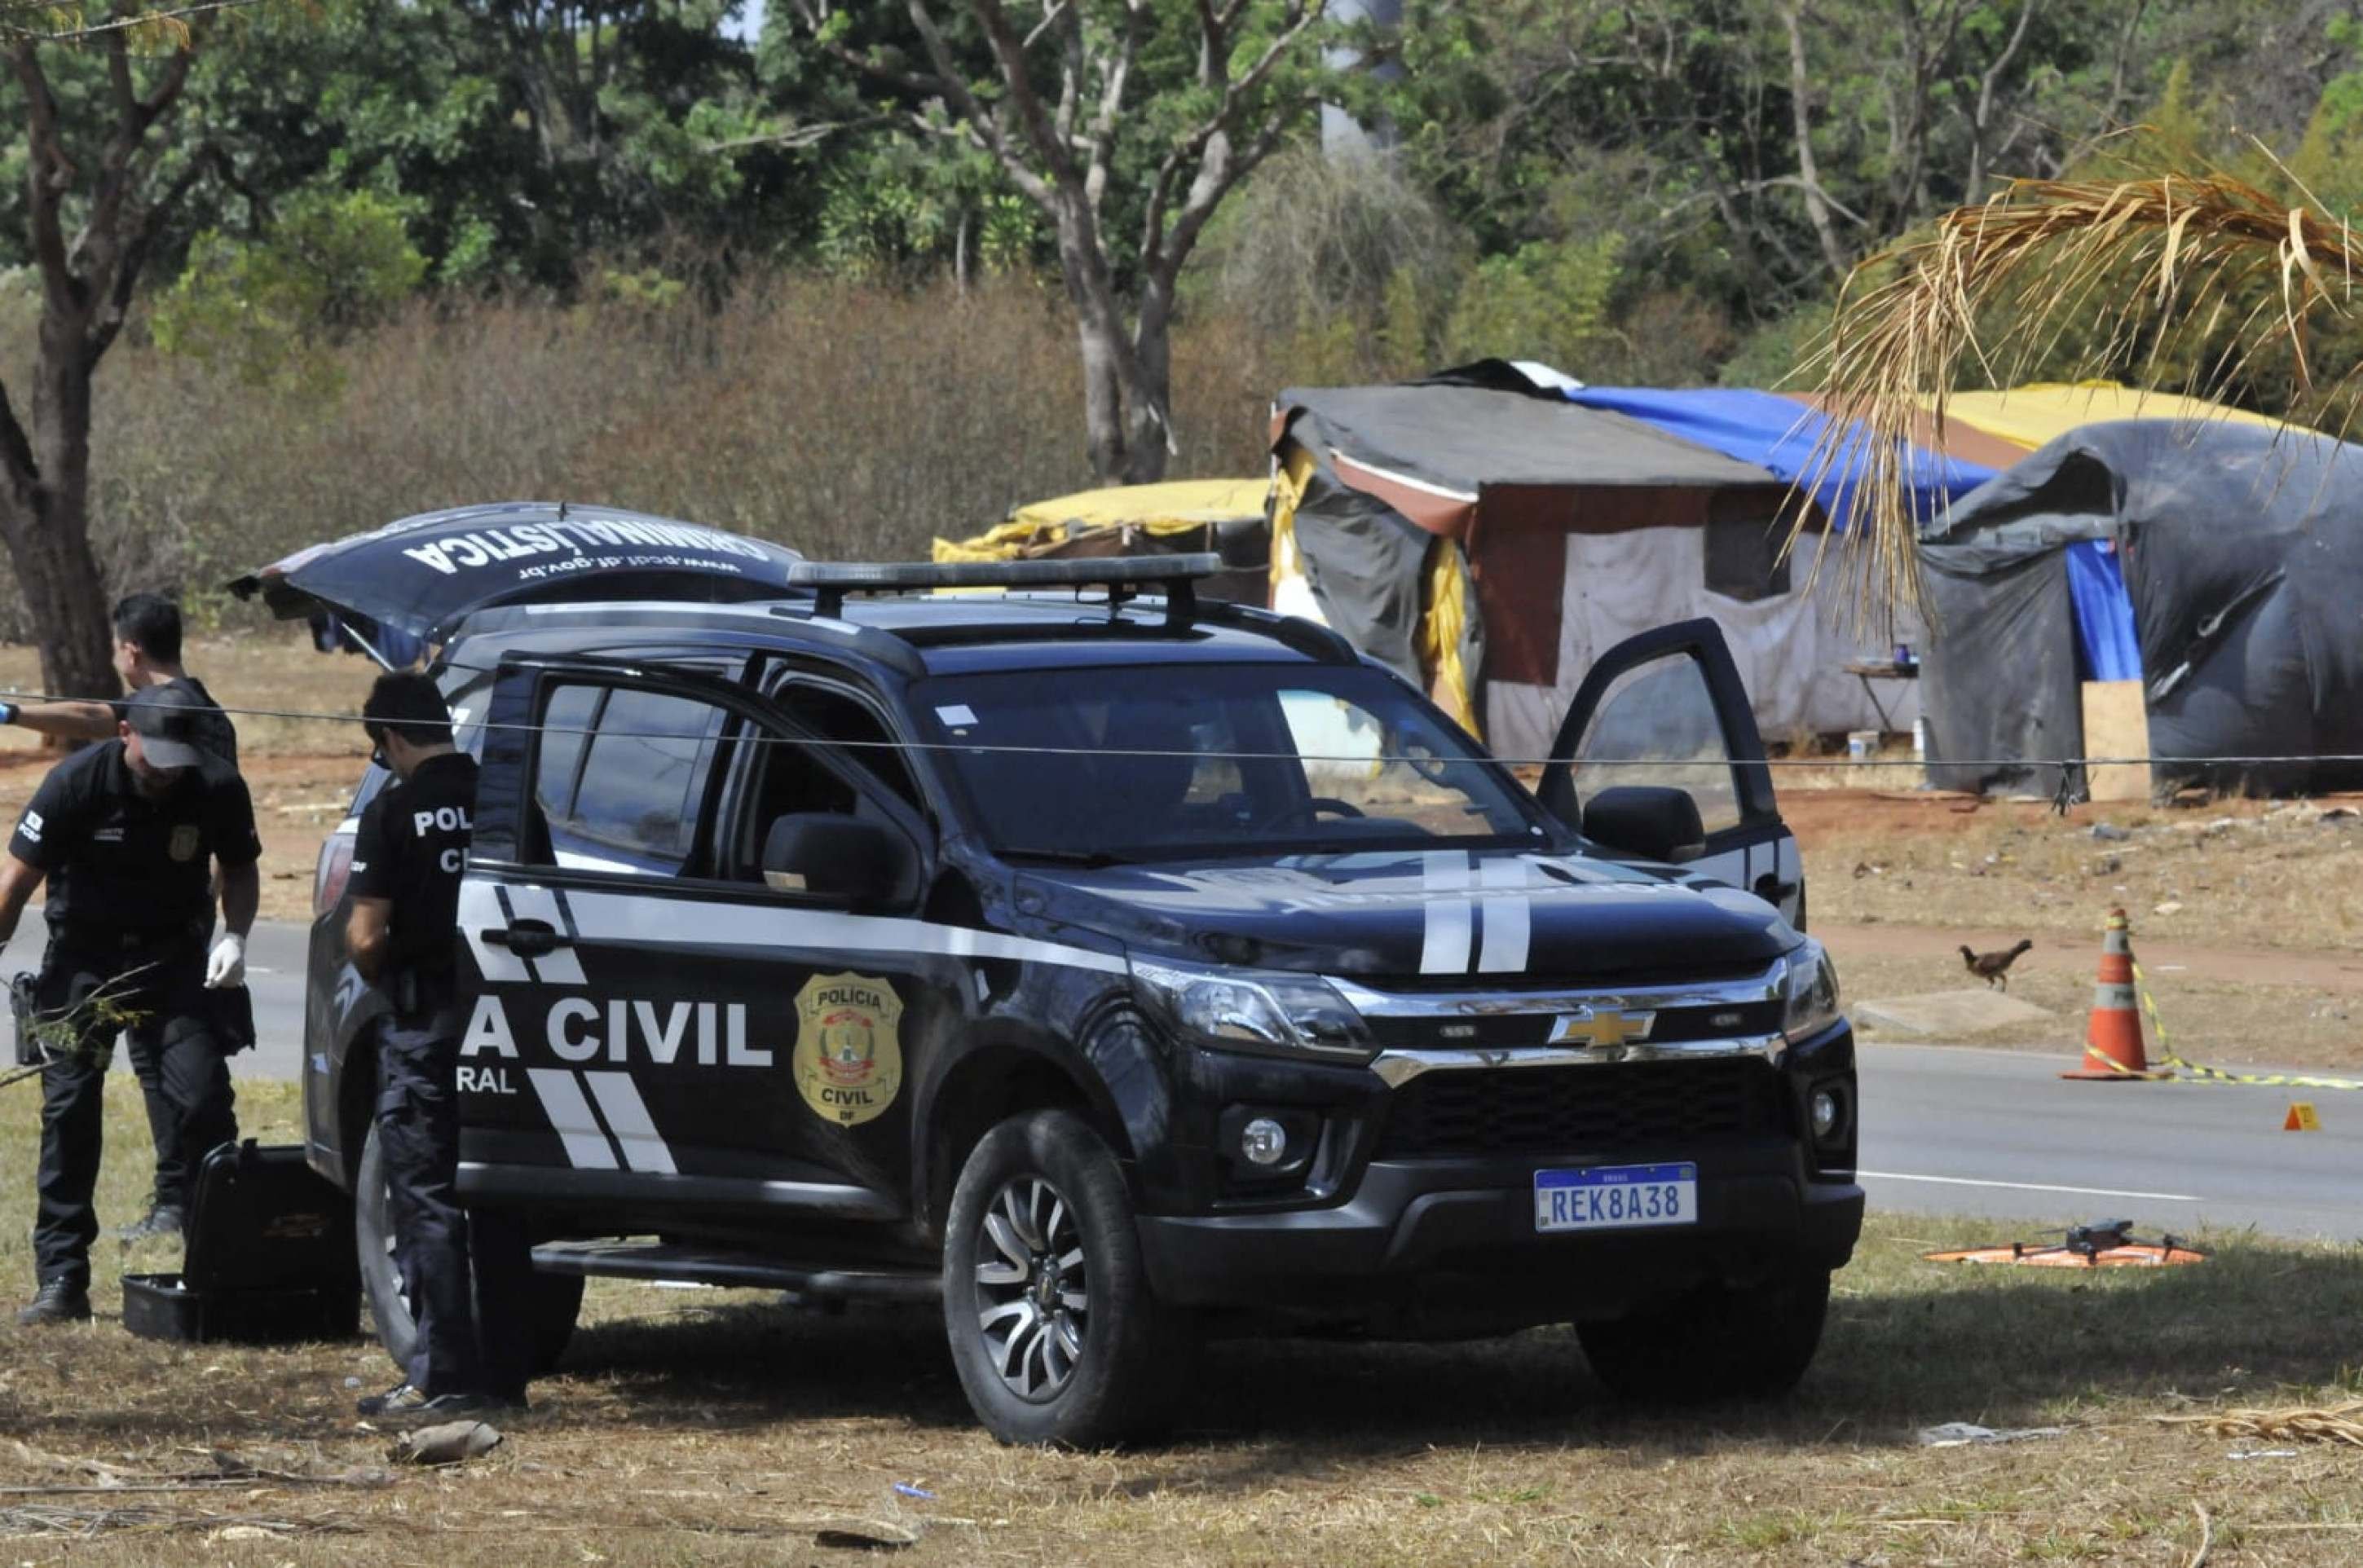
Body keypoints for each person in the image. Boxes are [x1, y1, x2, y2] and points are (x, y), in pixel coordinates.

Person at [0, 685, 258, 1324]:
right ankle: (62, 1277)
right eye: (155, 755)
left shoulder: (215, 784)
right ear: (124, 734)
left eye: (178, 757)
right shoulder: (75, 783)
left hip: (172, 960)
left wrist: (236, 936)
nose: (166, 770)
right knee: (70, 1111)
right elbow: (17, 880)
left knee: (202, 1101)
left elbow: (242, 864)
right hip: (84, 963)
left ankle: (220, 1266)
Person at [347, 672, 533, 1417]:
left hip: (424, 1027)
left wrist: (389, 971)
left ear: (391, 739)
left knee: (425, 1199)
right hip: (507, 1027)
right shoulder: (506, 803)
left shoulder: (395, 810)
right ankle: (507, 1375)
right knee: (500, 1197)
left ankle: (446, 1377)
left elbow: (363, 937)